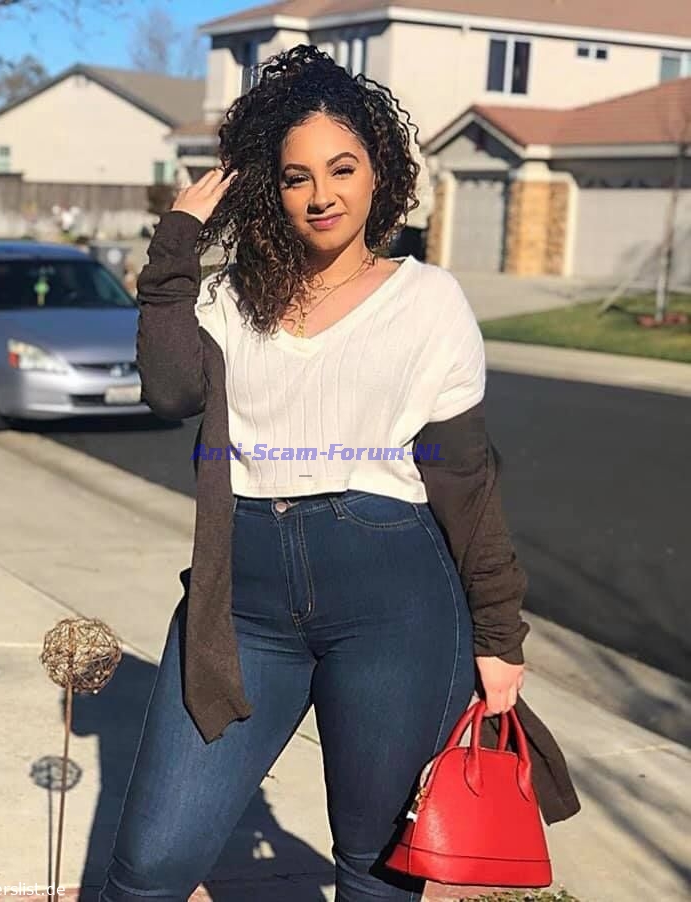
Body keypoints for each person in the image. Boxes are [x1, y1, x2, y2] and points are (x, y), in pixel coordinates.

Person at [99, 45, 538, 902]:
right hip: (242, 603)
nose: (322, 195)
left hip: (394, 604)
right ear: (271, 187)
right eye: (296, 176)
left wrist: (499, 635)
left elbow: (464, 479)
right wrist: (177, 244)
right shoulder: (228, 300)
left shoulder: (429, 302)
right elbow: (169, 391)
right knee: (150, 865)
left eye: (343, 168)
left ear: (381, 172)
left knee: (374, 870)